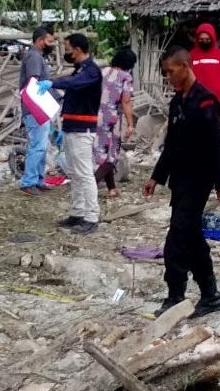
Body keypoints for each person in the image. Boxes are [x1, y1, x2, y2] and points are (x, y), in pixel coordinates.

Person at [144, 48, 220, 318]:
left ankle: (175, 295)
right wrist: (156, 177)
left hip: (200, 179)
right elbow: (171, 146)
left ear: (185, 66)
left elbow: (217, 145)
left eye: (171, 71)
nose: (168, 77)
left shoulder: (205, 101)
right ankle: (210, 295)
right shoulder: (177, 103)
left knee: (177, 236)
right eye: (166, 73)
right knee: (192, 236)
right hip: (180, 181)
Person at [38, 32, 102, 234]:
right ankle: (77, 213)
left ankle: (91, 216)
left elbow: (74, 84)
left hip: (83, 129)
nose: (66, 53)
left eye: (67, 49)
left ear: (78, 49)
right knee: (75, 173)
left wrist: (53, 83)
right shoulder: (80, 71)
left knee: (84, 173)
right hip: (72, 127)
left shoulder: (91, 71)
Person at [94, 47, 137, 198]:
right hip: (112, 118)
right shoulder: (125, 77)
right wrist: (131, 124)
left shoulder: (103, 72)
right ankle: (92, 186)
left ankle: (111, 188)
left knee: (104, 154)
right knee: (112, 156)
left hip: (97, 116)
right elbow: (126, 101)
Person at [19, 25, 56, 195]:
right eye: (49, 41)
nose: (51, 44)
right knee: (37, 145)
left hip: (40, 109)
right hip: (35, 109)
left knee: (42, 145)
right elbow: (33, 85)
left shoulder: (38, 57)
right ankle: (28, 181)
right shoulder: (34, 57)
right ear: (40, 41)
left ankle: (38, 179)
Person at [189, 23, 220, 125]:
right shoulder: (190, 57)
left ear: (213, 38)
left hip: (216, 105)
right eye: (201, 39)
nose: (204, 42)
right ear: (197, 39)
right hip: (194, 104)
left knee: (214, 135)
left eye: (207, 39)